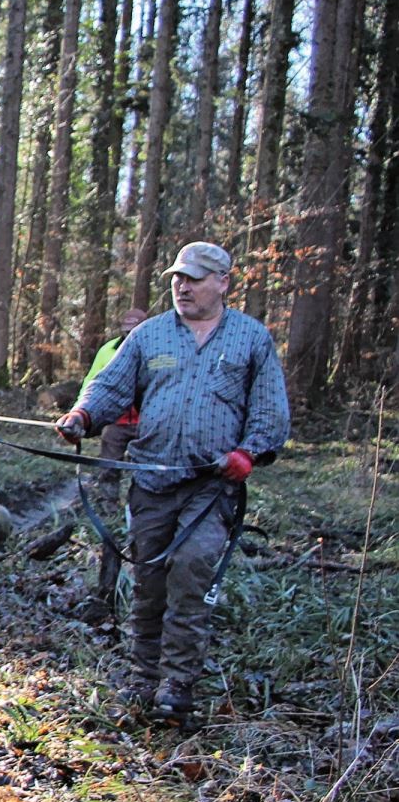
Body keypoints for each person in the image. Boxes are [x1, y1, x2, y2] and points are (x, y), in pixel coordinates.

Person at [55, 242, 290, 730]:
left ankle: (177, 686)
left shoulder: (250, 338)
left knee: (191, 571)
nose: (183, 285)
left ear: (224, 281)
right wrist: (82, 415)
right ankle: (144, 679)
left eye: (196, 277)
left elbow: (270, 409)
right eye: (178, 277)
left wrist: (250, 451)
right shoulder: (150, 334)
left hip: (211, 487)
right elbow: (110, 386)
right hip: (152, 479)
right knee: (149, 581)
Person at [82, 306, 148, 610]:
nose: (130, 327)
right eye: (126, 322)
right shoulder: (108, 350)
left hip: (147, 425)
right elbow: (95, 382)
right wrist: (81, 414)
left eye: (136, 323)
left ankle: (140, 510)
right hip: (116, 423)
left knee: (145, 475)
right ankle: (109, 502)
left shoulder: (157, 346)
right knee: (107, 467)